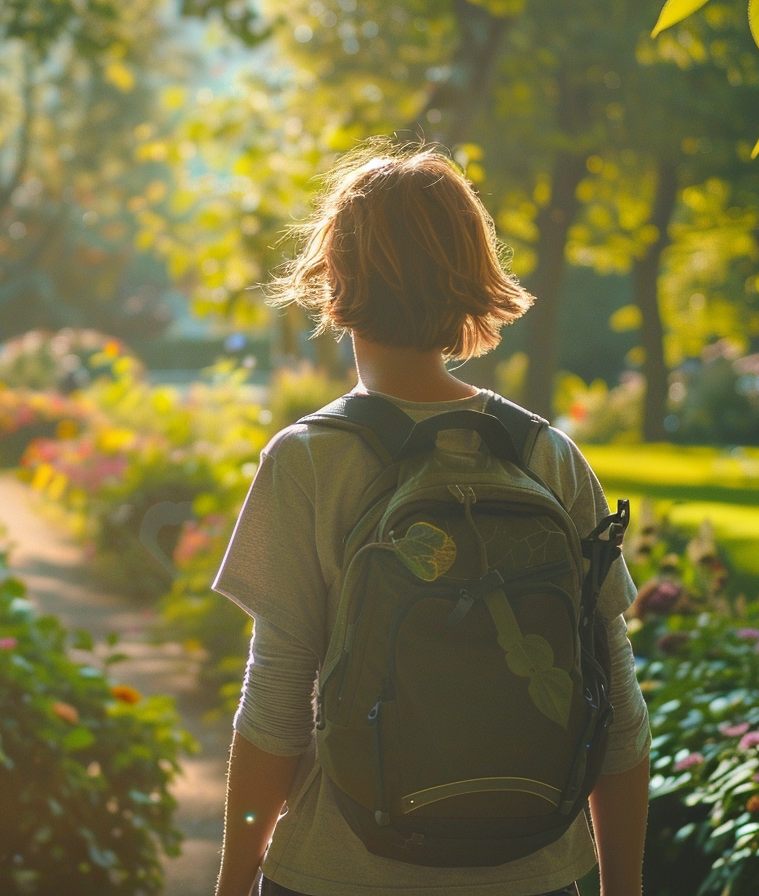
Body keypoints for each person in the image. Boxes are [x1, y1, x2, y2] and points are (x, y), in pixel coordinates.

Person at [211, 139, 651, 896]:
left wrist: (233, 879)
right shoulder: (546, 456)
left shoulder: (309, 459)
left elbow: (276, 701)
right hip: (534, 868)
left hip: (338, 870)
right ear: (472, 277)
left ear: (334, 275)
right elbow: (618, 709)